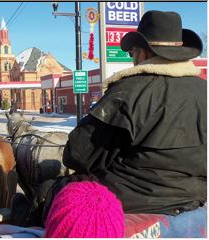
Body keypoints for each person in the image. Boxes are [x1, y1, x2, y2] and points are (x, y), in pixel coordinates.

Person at [62, 10, 206, 217]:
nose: (132, 59)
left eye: (132, 53)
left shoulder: (128, 91)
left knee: (49, 191)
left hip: (128, 199)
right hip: (195, 196)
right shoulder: (203, 90)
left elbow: (77, 155)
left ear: (144, 53)